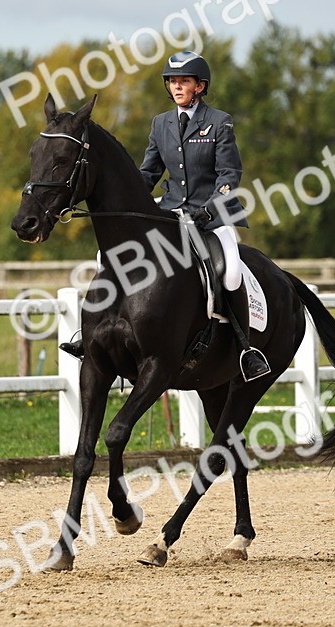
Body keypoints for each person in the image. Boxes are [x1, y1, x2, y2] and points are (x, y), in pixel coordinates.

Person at [59, 50, 271, 381]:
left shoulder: (219, 122)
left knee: (228, 272)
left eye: (184, 81)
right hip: (169, 212)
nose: (177, 87)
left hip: (211, 217)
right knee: (109, 255)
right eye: (172, 82)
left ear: (200, 86)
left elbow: (229, 175)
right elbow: (148, 173)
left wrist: (210, 208)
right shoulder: (161, 124)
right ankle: (90, 334)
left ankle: (245, 349)